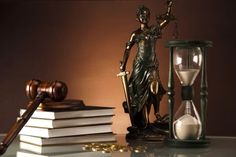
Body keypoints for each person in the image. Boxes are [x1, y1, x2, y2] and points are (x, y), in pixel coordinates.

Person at [120, 0, 174, 130]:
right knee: (140, 94)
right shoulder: (136, 34)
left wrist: (169, 8)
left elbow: (165, 22)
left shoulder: (153, 31)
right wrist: (123, 65)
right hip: (139, 66)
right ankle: (144, 122)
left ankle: (156, 113)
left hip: (151, 65)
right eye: (142, 15)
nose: (144, 17)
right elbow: (128, 49)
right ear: (137, 17)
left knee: (154, 89)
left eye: (146, 14)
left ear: (149, 16)